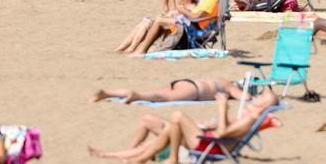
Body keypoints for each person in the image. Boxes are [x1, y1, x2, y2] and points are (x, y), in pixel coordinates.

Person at [88, 89, 280, 164]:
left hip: (210, 146)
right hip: (206, 138)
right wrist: (205, 123)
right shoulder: (248, 116)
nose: (257, 97)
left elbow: (222, 134)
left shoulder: (249, 119)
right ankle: (122, 155)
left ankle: (170, 158)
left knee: (177, 117)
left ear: (264, 105)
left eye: (261, 97)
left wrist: (222, 107)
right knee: (152, 120)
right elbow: (221, 127)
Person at [90, 76, 245, 104]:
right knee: (161, 97)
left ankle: (108, 93)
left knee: (155, 91)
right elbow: (244, 98)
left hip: (185, 82)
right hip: (194, 90)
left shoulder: (221, 79)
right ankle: (138, 96)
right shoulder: (230, 87)